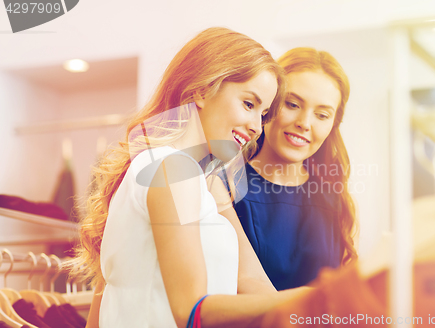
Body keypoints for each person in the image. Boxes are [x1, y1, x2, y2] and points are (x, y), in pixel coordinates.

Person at [68, 27, 310, 328]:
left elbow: (249, 278)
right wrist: (312, 299)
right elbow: (192, 311)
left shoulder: (197, 178)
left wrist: (306, 309)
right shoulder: (171, 169)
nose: (257, 127)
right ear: (201, 90)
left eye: (262, 114)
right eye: (249, 104)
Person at [228, 47, 358, 290]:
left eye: (321, 115)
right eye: (292, 104)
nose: (304, 124)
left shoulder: (333, 197)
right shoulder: (224, 185)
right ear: (269, 103)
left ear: (333, 124)